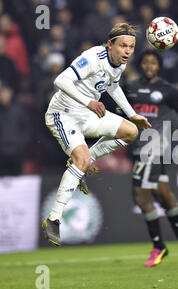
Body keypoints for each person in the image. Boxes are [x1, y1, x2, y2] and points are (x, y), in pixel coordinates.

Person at [42, 23, 151, 246]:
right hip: (63, 115)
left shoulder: (119, 63)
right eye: (123, 46)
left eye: (131, 47)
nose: (128, 51)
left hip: (87, 114)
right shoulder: (93, 57)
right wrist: (89, 102)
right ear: (110, 44)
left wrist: (132, 115)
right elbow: (60, 81)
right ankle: (54, 218)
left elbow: (112, 86)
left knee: (131, 132)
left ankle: (87, 161)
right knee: (80, 159)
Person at [123, 49, 178, 267]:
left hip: (155, 148)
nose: (149, 66)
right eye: (145, 62)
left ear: (159, 66)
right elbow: (120, 113)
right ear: (140, 64)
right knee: (164, 196)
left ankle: (159, 247)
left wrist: (175, 139)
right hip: (139, 148)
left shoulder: (168, 90)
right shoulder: (130, 88)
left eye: (153, 63)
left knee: (140, 197)